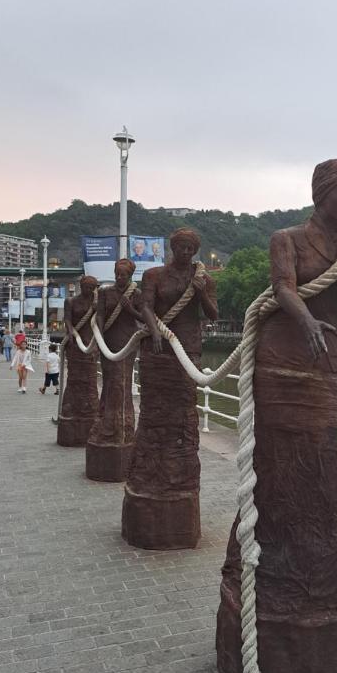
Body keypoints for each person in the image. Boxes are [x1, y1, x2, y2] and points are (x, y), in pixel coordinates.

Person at [216, 159, 337, 673]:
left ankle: (320, 579)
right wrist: (306, 322)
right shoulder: (286, 239)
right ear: (320, 193)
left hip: (328, 368)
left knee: (327, 471)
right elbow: (283, 290)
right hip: (284, 364)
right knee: (278, 473)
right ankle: (269, 570)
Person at [123, 228, 217, 549]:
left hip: (187, 349)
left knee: (183, 411)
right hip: (157, 350)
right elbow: (146, 306)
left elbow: (213, 313)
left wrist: (202, 292)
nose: (187, 251)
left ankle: (180, 475)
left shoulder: (202, 277)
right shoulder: (153, 275)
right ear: (172, 247)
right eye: (182, 246)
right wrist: (155, 330)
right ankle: (149, 473)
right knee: (154, 411)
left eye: (192, 247)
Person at [86, 259, 142, 481]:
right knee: (110, 381)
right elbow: (99, 315)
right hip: (108, 340)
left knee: (122, 383)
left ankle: (122, 426)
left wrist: (130, 310)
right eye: (118, 274)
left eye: (124, 275)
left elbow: (142, 317)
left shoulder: (135, 294)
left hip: (126, 342)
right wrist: (98, 336)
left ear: (130, 276)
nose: (120, 278)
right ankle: (106, 419)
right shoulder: (105, 293)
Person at [57, 275, 99, 446]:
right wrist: (71, 332)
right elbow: (67, 319)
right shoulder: (71, 301)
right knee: (74, 378)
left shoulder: (96, 303)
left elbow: (99, 322)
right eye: (86, 287)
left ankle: (89, 408)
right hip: (75, 342)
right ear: (81, 286)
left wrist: (97, 309)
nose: (89, 290)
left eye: (92, 287)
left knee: (89, 379)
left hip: (90, 342)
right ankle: (71, 407)